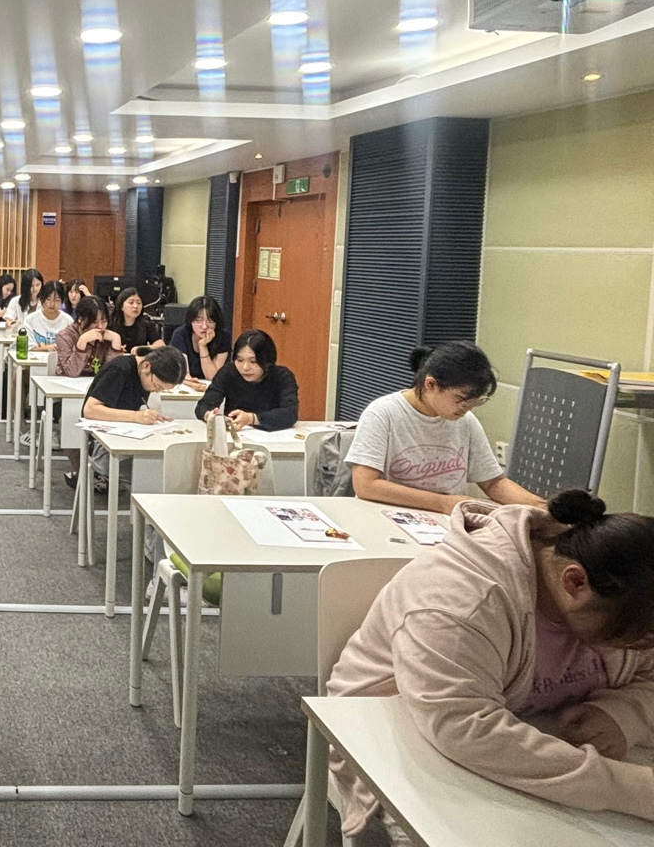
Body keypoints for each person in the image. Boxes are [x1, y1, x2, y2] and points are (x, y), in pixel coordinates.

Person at [326, 491, 654, 838]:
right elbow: (463, 728)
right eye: (636, 637)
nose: (644, 645)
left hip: (517, 729)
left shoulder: (630, 596)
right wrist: (632, 789)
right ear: (575, 582)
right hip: (395, 723)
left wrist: (623, 714)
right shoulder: (458, 601)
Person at [346, 342, 546, 514]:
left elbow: (494, 483)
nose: (467, 408)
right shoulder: (383, 413)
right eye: (460, 399)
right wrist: (441, 503)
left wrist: (542, 507)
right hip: (388, 515)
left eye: (475, 402)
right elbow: (366, 485)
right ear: (431, 385)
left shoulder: (466, 421)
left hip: (445, 521)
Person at [80, 346, 188, 491]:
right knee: (155, 468)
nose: (156, 390)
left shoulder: (145, 375)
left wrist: (151, 417)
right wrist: (136, 416)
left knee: (169, 458)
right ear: (146, 366)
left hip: (124, 433)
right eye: (157, 386)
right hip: (100, 440)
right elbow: (89, 410)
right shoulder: (120, 370)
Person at [195, 329, 299, 431]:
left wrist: (251, 418)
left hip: (272, 434)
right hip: (236, 433)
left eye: (253, 361)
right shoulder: (228, 372)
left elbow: (290, 413)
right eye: (240, 360)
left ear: (268, 360)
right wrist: (209, 416)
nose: (245, 367)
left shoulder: (282, 376)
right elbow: (203, 405)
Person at [166, 295, 230, 386]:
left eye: (210, 321)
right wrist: (192, 383)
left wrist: (203, 346)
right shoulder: (181, 335)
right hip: (185, 386)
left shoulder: (223, 336)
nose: (204, 326)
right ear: (190, 320)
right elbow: (183, 374)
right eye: (198, 321)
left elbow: (212, 377)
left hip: (213, 387)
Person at [55, 295, 121, 378]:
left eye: (104, 321)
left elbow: (111, 374)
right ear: (80, 319)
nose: (100, 326)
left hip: (95, 384)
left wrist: (116, 340)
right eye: (94, 322)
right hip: (66, 384)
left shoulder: (108, 336)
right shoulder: (65, 336)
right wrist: (82, 341)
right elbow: (72, 372)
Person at [22, 280, 73, 351]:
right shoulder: (30, 320)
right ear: (42, 299)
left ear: (62, 302)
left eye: (57, 300)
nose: (52, 304)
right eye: (49, 299)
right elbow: (28, 348)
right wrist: (46, 348)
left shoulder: (68, 321)